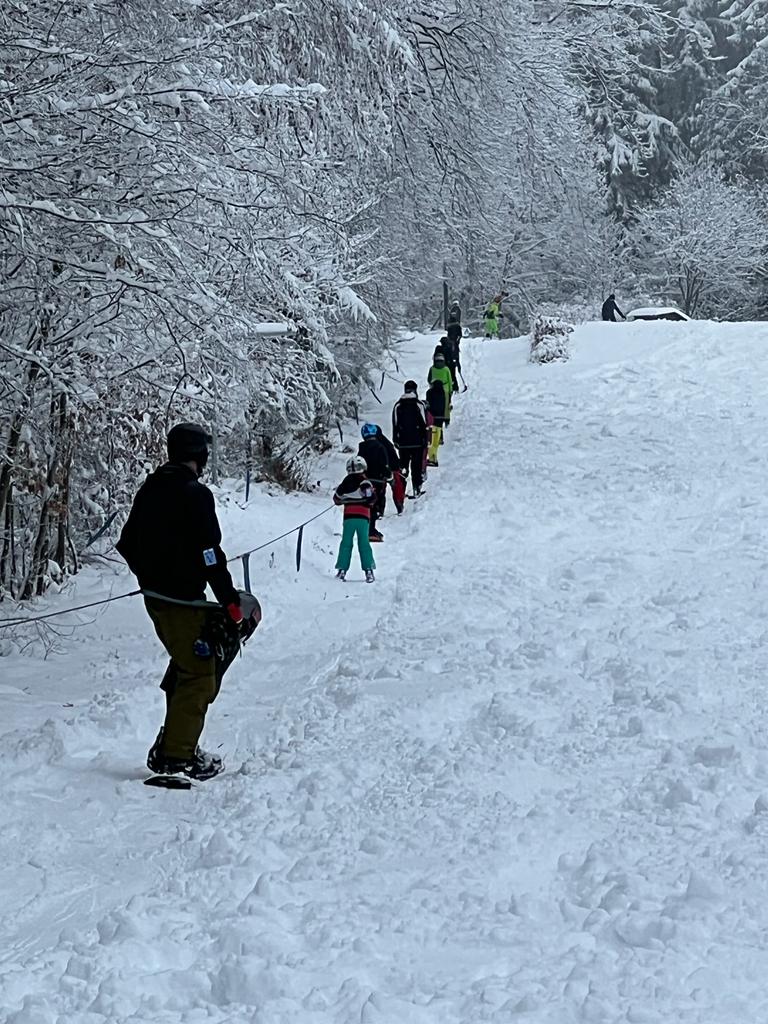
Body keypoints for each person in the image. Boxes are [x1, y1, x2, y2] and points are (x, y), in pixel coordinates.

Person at [117, 423, 261, 781]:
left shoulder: (150, 488)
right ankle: (176, 757)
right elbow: (210, 553)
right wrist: (229, 600)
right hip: (182, 601)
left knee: (188, 665)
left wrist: (150, 579)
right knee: (199, 674)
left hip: (158, 598)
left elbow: (126, 542)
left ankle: (174, 742)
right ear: (200, 455)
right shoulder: (194, 494)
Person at [333, 455, 376, 582]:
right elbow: (371, 499)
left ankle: (342, 570)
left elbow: (336, 499)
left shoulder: (345, 482)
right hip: (363, 516)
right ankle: (369, 570)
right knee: (364, 543)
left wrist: (347, 499)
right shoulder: (365, 482)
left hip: (348, 516)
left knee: (346, 542)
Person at [392, 380, 429, 498]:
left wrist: (396, 440)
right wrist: (425, 439)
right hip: (417, 442)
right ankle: (416, 489)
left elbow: (395, 424)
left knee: (403, 466)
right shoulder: (419, 404)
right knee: (416, 466)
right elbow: (424, 423)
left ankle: (401, 492)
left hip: (403, 442)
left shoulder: (398, 405)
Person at [358, 422, 392, 541]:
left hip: (365, 480)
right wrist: (388, 476)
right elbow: (384, 464)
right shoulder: (380, 447)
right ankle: (370, 530)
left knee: (367, 503)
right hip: (378, 480)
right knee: (375, 504)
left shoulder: (361, 448)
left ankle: (367, 528)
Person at [374, 425, 406, 514]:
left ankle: (379, 509)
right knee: (397, 487)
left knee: (380, 489)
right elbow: (393, 455)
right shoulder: (386, 442)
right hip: (393, 468)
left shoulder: (372, 444)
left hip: (381, 470)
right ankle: (399, 504)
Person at [428, 350, 454, 429]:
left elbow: (429, 379)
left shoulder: (432, 368)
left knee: (435, 405)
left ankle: (434, 418)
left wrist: (432, 385)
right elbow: (449, 380)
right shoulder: (446, 369)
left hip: (434, 390)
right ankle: (446, 420)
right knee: (446, 406)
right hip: (445, 390)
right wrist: (450, 390)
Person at [426, 377, 448, 466]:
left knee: (431, 440)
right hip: (440, 419)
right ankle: (434, 456)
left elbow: (428, 405)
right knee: (436, 440)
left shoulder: (430, 393)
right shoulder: (443, 393)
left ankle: (432, 459)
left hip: (432, 418)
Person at [443, 319, 462, 390]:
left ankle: (454, 386)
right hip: (454, 348)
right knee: (453, 369)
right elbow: (460, 336)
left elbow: (453, 337)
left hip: (452, 348)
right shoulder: (457, 327)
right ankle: (454, 386)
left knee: (451, 370)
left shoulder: (451, 327)